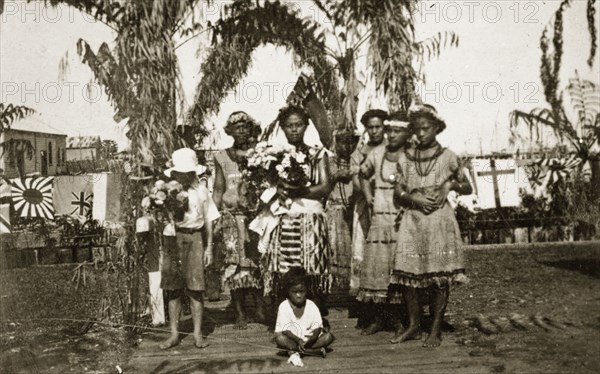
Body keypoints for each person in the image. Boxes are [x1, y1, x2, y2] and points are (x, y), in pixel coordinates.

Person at [390, 104, 472, 347]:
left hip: (439, 221)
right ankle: (414, 324)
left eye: (426, 129)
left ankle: (435, 327)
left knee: (440, 277)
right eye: (417, 129)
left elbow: (467, 187)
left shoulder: (448, 156)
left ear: (436, 128)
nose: (421, 133)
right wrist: (411, 197)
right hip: (413, 220)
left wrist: (448, 186)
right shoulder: (405, 157)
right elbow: (398, 190)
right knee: (408, 275)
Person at [250, 105, 333, 315]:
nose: (294, 130)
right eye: (289, 126)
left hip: (310, 217)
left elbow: (324, 187)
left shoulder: (317, 153)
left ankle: (315, 318)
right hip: (283, 217)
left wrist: (298, 191)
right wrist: (276, 189)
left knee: (312, 269)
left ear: (306, 126)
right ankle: (285, 319)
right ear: (283, 127)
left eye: (298, 125)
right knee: (283, 269)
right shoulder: (273, 154)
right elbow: (263, 187)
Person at [356, 112, 411, 336]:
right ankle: (378, 319)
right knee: (378, 269)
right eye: (389, 130)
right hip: (379, 218)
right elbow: (362, 174)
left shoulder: (410, 155)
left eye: (397, 131)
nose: (391, 134)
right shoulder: (377, 154)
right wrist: (368, 195)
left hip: (402, 220)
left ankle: (399, 321)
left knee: (398, 271)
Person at [159, 148, 220, 350]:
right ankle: (174, 334)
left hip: (195, 238)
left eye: (187, 172)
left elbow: (210, 220)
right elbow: (158, 216)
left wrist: (209, 247)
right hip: (172, 239)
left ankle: (197, 334)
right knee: (173, 288)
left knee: (196, 289)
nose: (183, 176)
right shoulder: (165, 192)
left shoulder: (201, 192)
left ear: (193, 172)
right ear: (174, 173)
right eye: (179, 173)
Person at [213, 111, 265, 329]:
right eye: (237, 127)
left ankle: (261, 308)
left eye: (245, 126)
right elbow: (218, 189)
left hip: (254, 217)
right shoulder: (222, 156)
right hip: (231, 219)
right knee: (234, 265)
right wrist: (213, 217)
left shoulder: (260, 154)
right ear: (230, 131)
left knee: (256, 262)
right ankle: (240, 312)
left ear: (251, 129)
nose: (241, 130)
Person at [349, 109, 388, 328]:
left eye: (378, 127)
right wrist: (370, 192)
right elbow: (357, 181)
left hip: (389, 208)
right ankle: (371, 314)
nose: (374, 131)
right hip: (367, 206)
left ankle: (392, 313)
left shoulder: (392, 148)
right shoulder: (360, 152)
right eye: (370, 127)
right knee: (366, 256)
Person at [274, 267, 335, 363]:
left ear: (307, 290)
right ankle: (313, 352)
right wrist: (298, 340)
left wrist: (312, 338)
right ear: (288, 291)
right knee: (279, 338)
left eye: (301, 291)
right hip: (293, 340)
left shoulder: (311, 305)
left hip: (309, 341)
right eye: (294, 292)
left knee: (329, 336)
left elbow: (317, 328)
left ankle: (296, 351)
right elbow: (286, 331)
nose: (298, 295)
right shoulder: (284, 306)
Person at [326, 130, 360, 289]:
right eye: (342, 142)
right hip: (336, 209)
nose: (346, 146)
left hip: (354, 210)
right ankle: (337, 288)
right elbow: (336, 175)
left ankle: (352, 287)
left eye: (351, 142)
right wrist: (355, 170)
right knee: (337, 247)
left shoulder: (357, 159)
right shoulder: (331, 160)